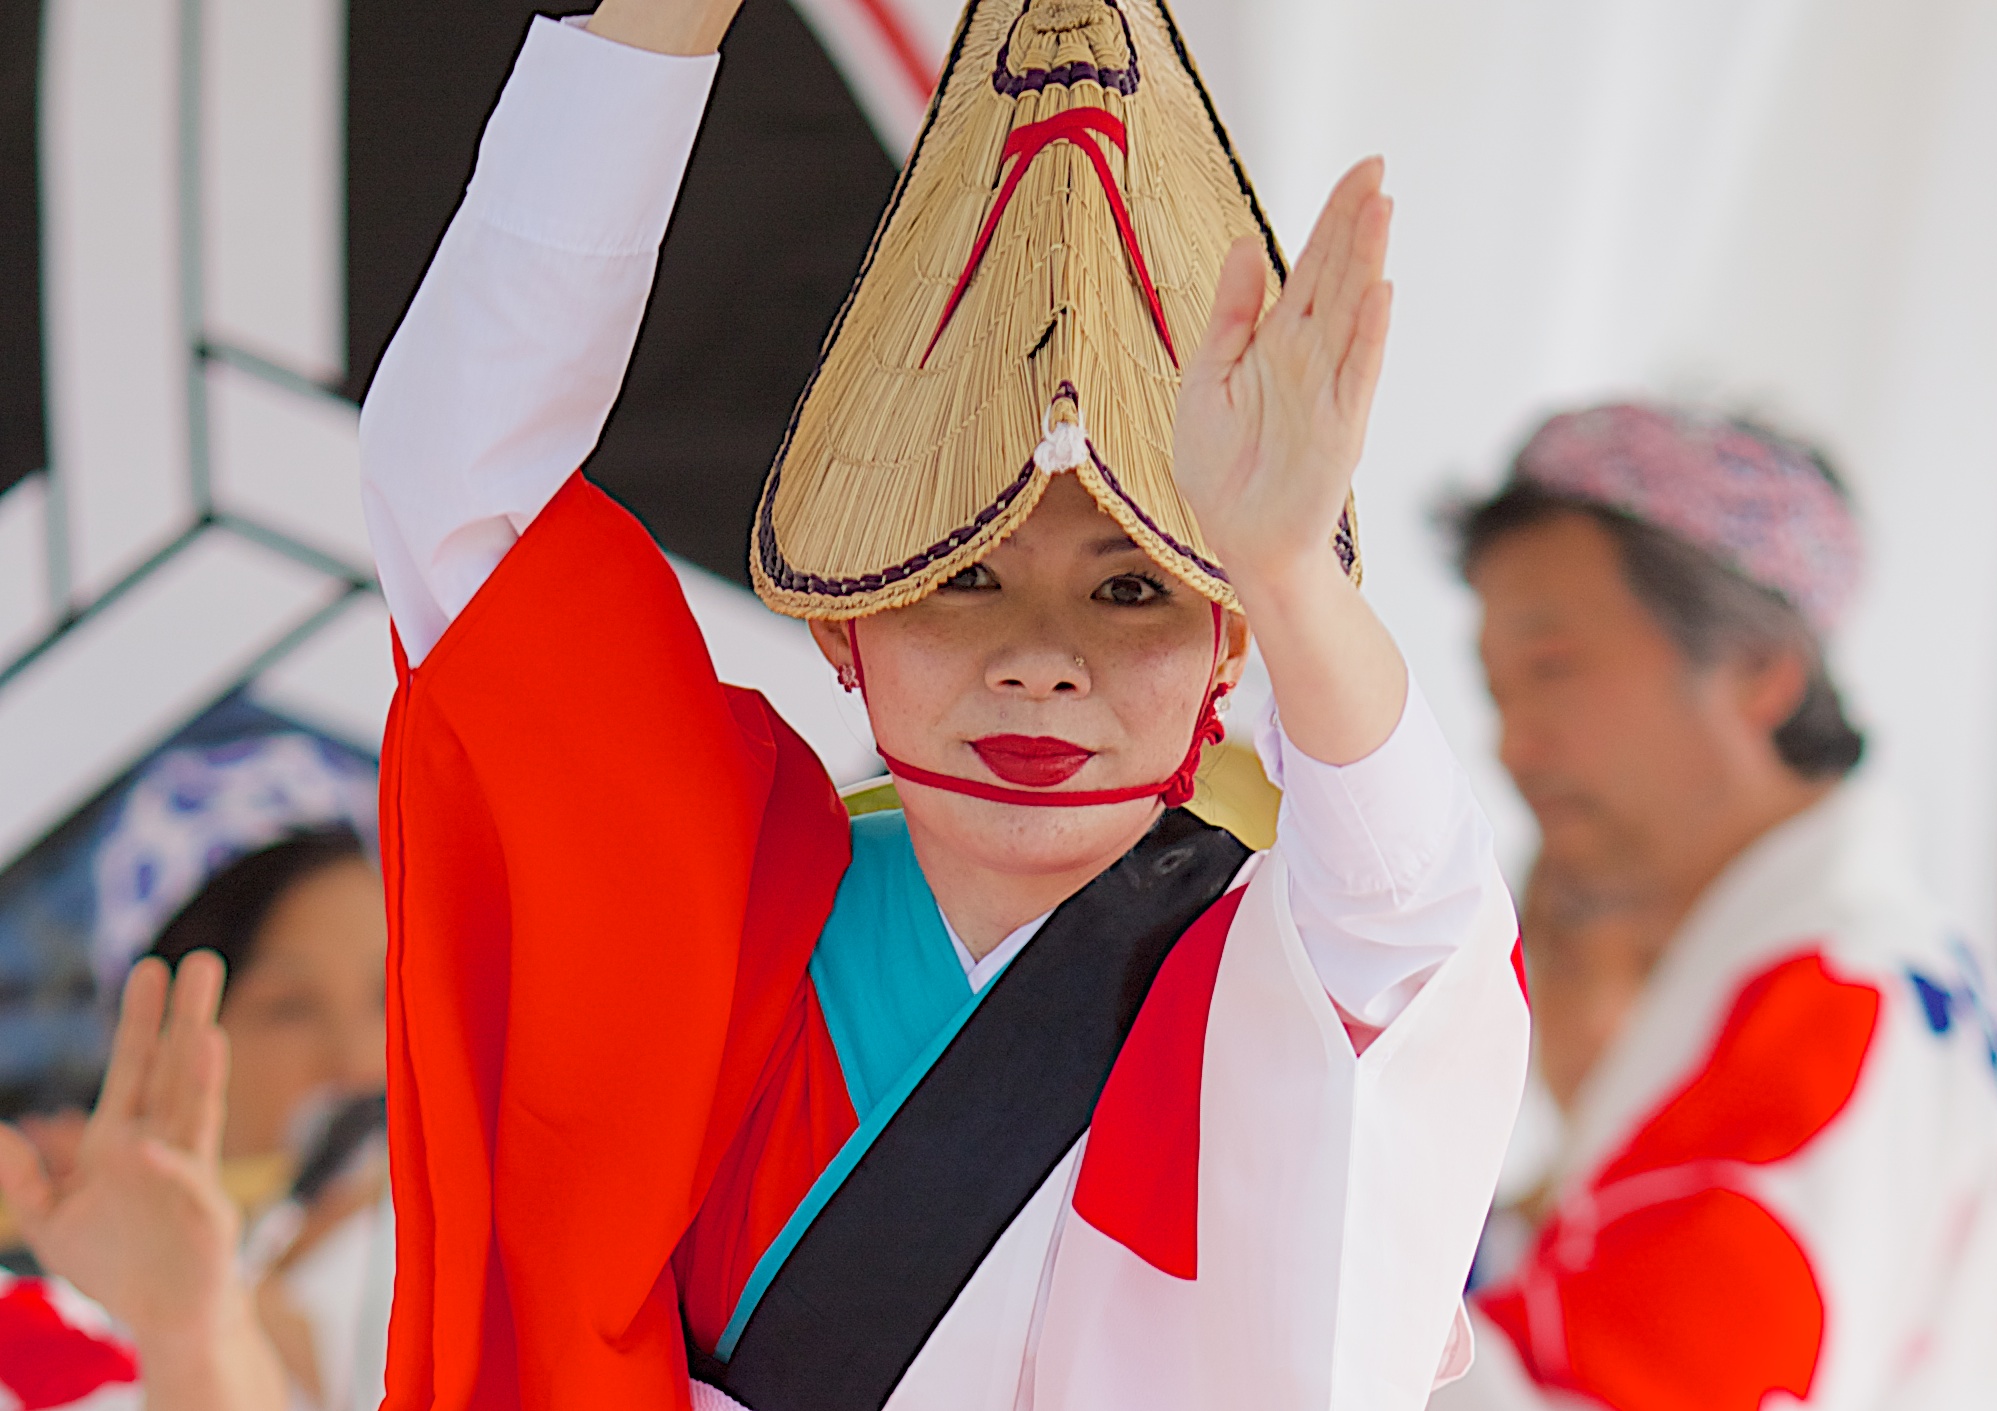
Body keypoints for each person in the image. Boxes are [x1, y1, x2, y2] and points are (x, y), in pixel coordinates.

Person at [358, 0, 1530, 1407]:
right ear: (847, 628)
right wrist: (642, 39)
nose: (1042, 661)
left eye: (1131, 592)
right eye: (962, 576)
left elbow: (1416, 917)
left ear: (1233, 653)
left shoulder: (1282, 987)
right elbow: (462, 504)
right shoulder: (725, 906)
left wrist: (1290, 572)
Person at [1431, 404, 1997, 1411]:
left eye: (1550, 666)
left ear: (1757, 672)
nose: (1512, 744)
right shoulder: (1884, 971)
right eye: (1496, 688)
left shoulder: (1831, 994)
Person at [0, 735, 393, 1411]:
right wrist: (188, 1332)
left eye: (390, 994)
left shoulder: (476, 1240)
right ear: (151, 1033)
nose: (359, 1058)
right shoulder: (53, 1309)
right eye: (289, 1009)